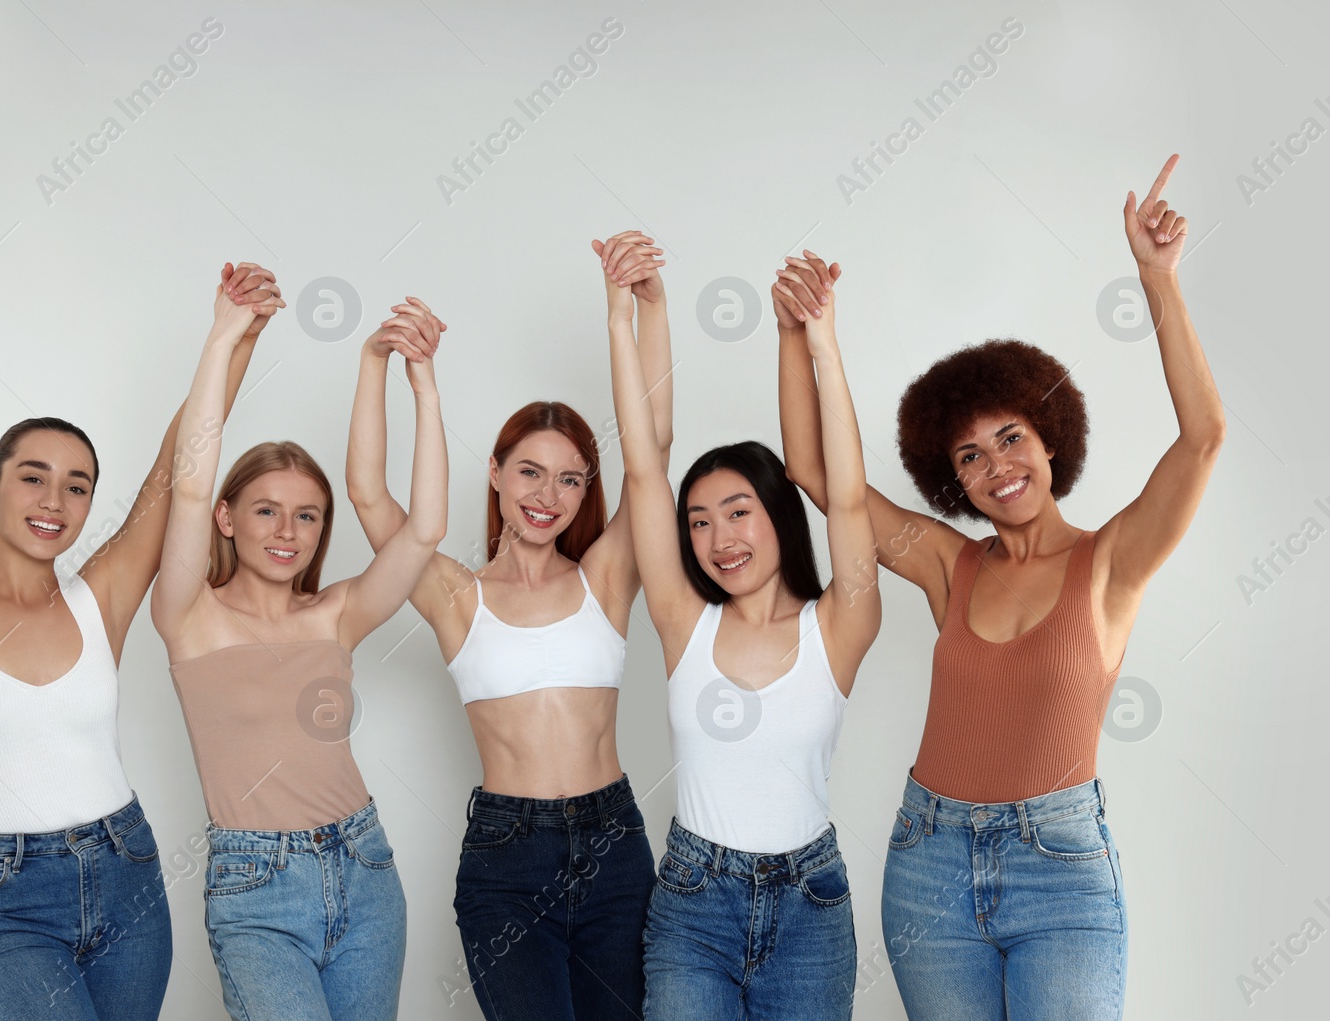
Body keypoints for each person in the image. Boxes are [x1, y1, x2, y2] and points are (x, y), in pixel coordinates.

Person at [780, 155, 1225, 1018]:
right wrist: (803, 335)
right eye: (970, 456)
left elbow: (1202, 437)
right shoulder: (953, 564)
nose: (998, 466)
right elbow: (812, 469)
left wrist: (1158, 280)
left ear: (1051, 438)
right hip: (930, 863)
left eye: (1012, 436)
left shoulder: (1113, 561)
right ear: (953, 481)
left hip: (1059, 871)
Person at [0, 159, 271, 1019]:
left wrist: (233, 338)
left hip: (128, 873)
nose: (55, 499)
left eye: (77, 484)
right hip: (6, 901)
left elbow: (172, 475)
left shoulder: (95, 600)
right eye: (32, 477)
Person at [343, 232, 674, 1020]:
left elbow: (652, 449)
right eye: (529, 470)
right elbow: (366, 493)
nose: (547, 494)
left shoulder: (604, 576)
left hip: (613, 843)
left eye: (569, 478)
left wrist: (639, 308)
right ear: (495, 473)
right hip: (506, 857)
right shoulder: (457, 595)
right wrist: (389, 368)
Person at [150, 287, 449, 1021]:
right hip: (256, 887)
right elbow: (187, 488)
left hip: (364, 866)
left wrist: (407, 376)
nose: (288, 530)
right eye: (265, 509)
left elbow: (424, 532)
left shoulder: (336, 615)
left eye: (307, 515)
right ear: (228, 517)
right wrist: (223, 337)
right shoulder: (188, 615)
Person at [607, 242, 881, 1018]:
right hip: (694, 902)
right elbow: (640, 468)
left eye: (737, 513)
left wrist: (818, 340)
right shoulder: (682, 619)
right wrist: (621, 314)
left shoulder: (841, 623)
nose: (718, 536)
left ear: (777, 515)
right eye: (698, 522)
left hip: (811, 906)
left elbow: (851, 502)